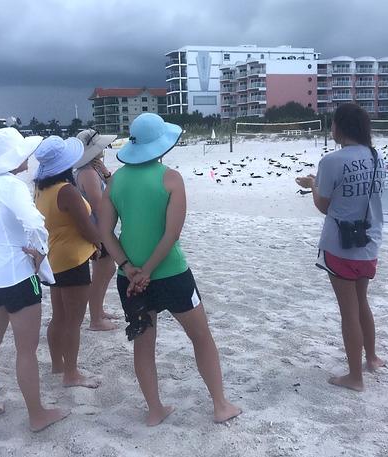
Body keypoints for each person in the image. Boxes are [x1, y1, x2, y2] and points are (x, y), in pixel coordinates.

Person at [98, 113, 241, 426]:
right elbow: (171, 234)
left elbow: (106, 233)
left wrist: (129, 268)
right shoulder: (170, 178)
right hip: (171, 274)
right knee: (201, 337)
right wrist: (148, 270)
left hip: (130, 279)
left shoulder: (115, 181)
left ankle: (154, 410)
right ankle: (220, 404)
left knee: (144, 345)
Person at [0, 127, 69, 431]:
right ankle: (37, 415)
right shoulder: (11, 185)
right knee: (26, 349)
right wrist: (41, 252)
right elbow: (34, 221)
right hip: (17, 277)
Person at [296, 103, 386, 392]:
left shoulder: (331, 161)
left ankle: (355, 377)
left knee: (348, 311)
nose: (331, 128)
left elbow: (325, 205)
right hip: (369, 242)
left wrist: (312, 185)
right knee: (362, 303)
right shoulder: (376, 156)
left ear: (340, 127)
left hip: (341, 246)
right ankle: (371, 358)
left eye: (333, 123)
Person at [34, 136, 102, 388]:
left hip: (54, 258)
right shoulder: (67, 191)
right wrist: (100, 244)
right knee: (73, 320)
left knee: (59, 317)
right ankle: (71, 374)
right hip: (74, 259)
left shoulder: (42, 189)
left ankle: (57, 365)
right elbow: (86, 227)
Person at [74, 129, 118, 331]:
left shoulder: (92, 169)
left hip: (97, 228)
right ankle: (95, 318)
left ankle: (98, 312)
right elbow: (99, 206)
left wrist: (106, 173)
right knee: (104, 271)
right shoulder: (89, 173)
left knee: (104, 271)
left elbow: (112, 186)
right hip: (98, 228)